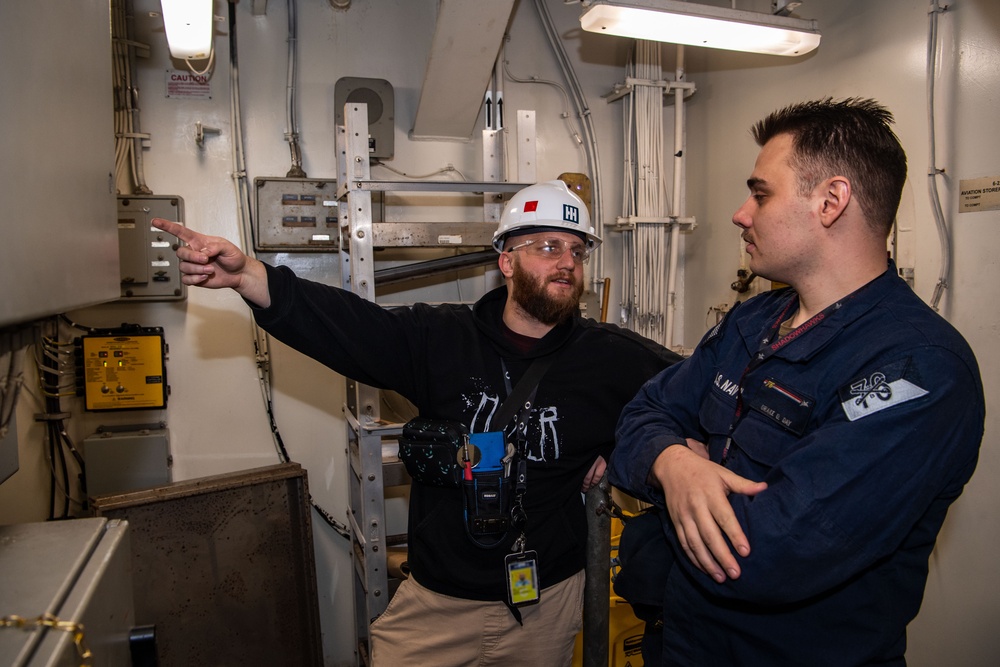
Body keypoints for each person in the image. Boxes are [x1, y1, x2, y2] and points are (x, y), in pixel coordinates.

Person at [153, 179, 680, 665]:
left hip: (543, 604)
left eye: (576, 250)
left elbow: (690, 398)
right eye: (547, 247)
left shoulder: (612, 358)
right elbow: (344, 325)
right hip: (437, 604)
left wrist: (625, 444)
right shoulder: (440, 338)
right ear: (507, 262)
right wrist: (248, 276)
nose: (566, 262)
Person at [608, 98, 985, 666]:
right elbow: (639, 417)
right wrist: (677, 466)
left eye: (760, 193)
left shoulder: (919, 367)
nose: (741, 213)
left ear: (831, 202)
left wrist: (671, 479)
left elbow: (763, 552)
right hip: (684, 644)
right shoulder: (755, 320)